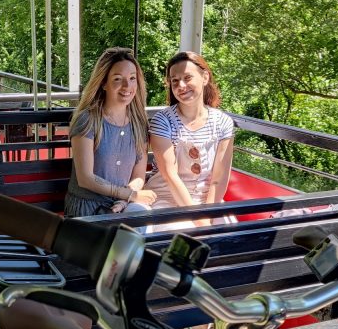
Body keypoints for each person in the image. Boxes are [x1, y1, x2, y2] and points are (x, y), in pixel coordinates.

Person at [144, 51, 235, 229]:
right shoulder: (163, 121)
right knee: (182, 236)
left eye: (187, 78)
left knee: (232, 236)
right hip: (167, 198)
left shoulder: (223, 122)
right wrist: (197, 218)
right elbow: (170, 175)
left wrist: (207, 214)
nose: (181, 85)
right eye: (175, 81)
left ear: (205, 77)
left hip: (207, 201)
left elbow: (219, 178)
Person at [65, 47, 157, 217]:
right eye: (117, 79)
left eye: (132, 78)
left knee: (144, 219)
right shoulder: (88, 120)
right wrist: (129, 195)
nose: (127, 86)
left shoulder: (139, 123)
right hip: (88, 208)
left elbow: (138, 177)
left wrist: (124, 200)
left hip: (121, 206)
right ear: (104, 83)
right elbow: (85, 178)